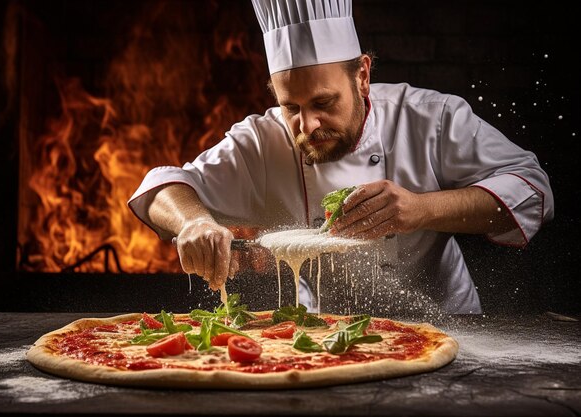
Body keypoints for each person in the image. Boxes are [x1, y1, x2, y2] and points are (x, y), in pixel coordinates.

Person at [128, 0, 554, 314]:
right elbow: (161, 186)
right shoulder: (263, 139)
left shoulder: (431, 118)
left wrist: (421, 209)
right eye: (291, 107)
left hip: (451, 329)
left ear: (363, 76)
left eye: (323, 103)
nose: (307, 125)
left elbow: (533, 190)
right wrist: (194, 221)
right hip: (332, 339)